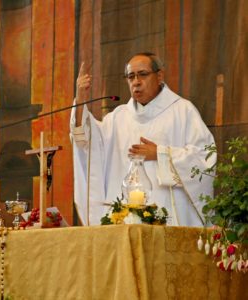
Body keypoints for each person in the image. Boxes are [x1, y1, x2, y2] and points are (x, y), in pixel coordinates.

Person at [70, 52, 216, 226]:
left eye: (143, 74)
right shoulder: (118, 118)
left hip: (170, 217)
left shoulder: (182, 111)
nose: (136, 82)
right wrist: (80, 99)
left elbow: (204, 159)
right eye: (131, 77)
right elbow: (85, 141)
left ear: (159, 76)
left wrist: (160, 154)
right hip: (126, 220)